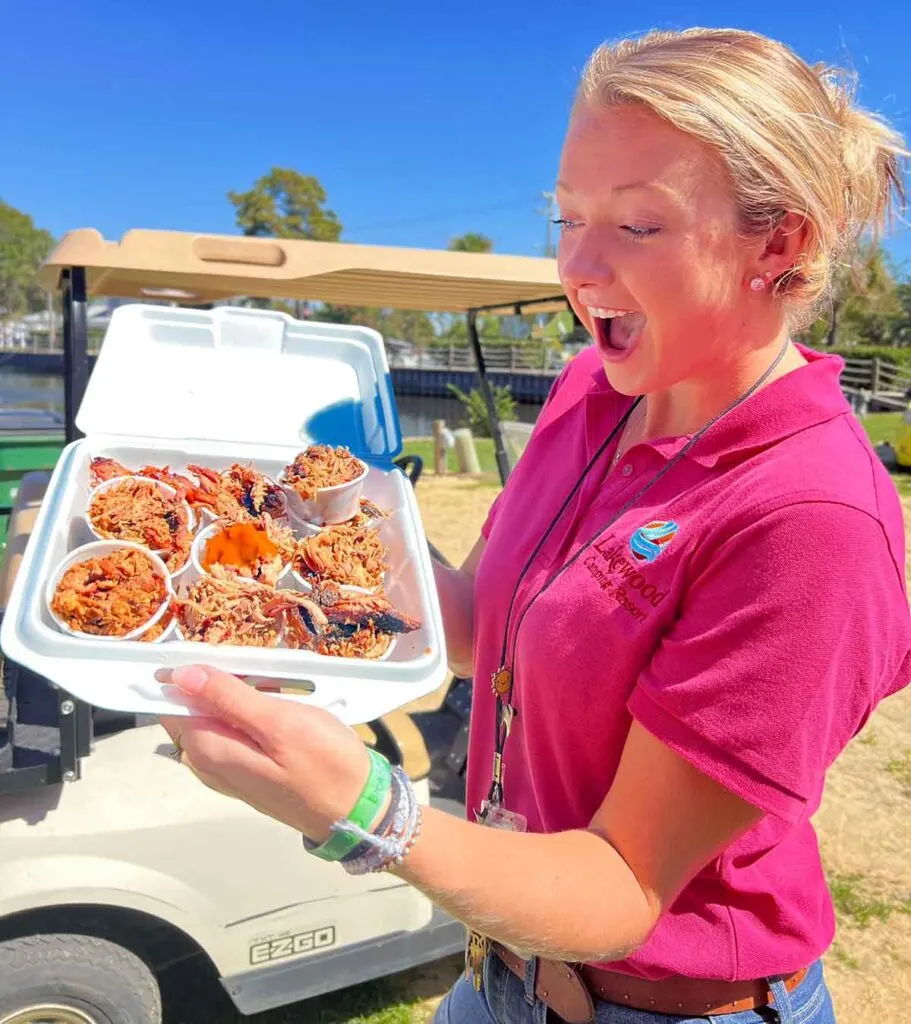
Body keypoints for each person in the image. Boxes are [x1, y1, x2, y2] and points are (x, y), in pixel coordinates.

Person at [160, 27, 910, 1024]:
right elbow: (473, 629)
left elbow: (620, 887)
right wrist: (331, 511)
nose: (580, 268)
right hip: (506, 969)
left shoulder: (808, 519)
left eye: (636, 226)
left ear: (777, 245)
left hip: (672, 1005)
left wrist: (366, 814)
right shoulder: (590, 392)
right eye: (566, 219)